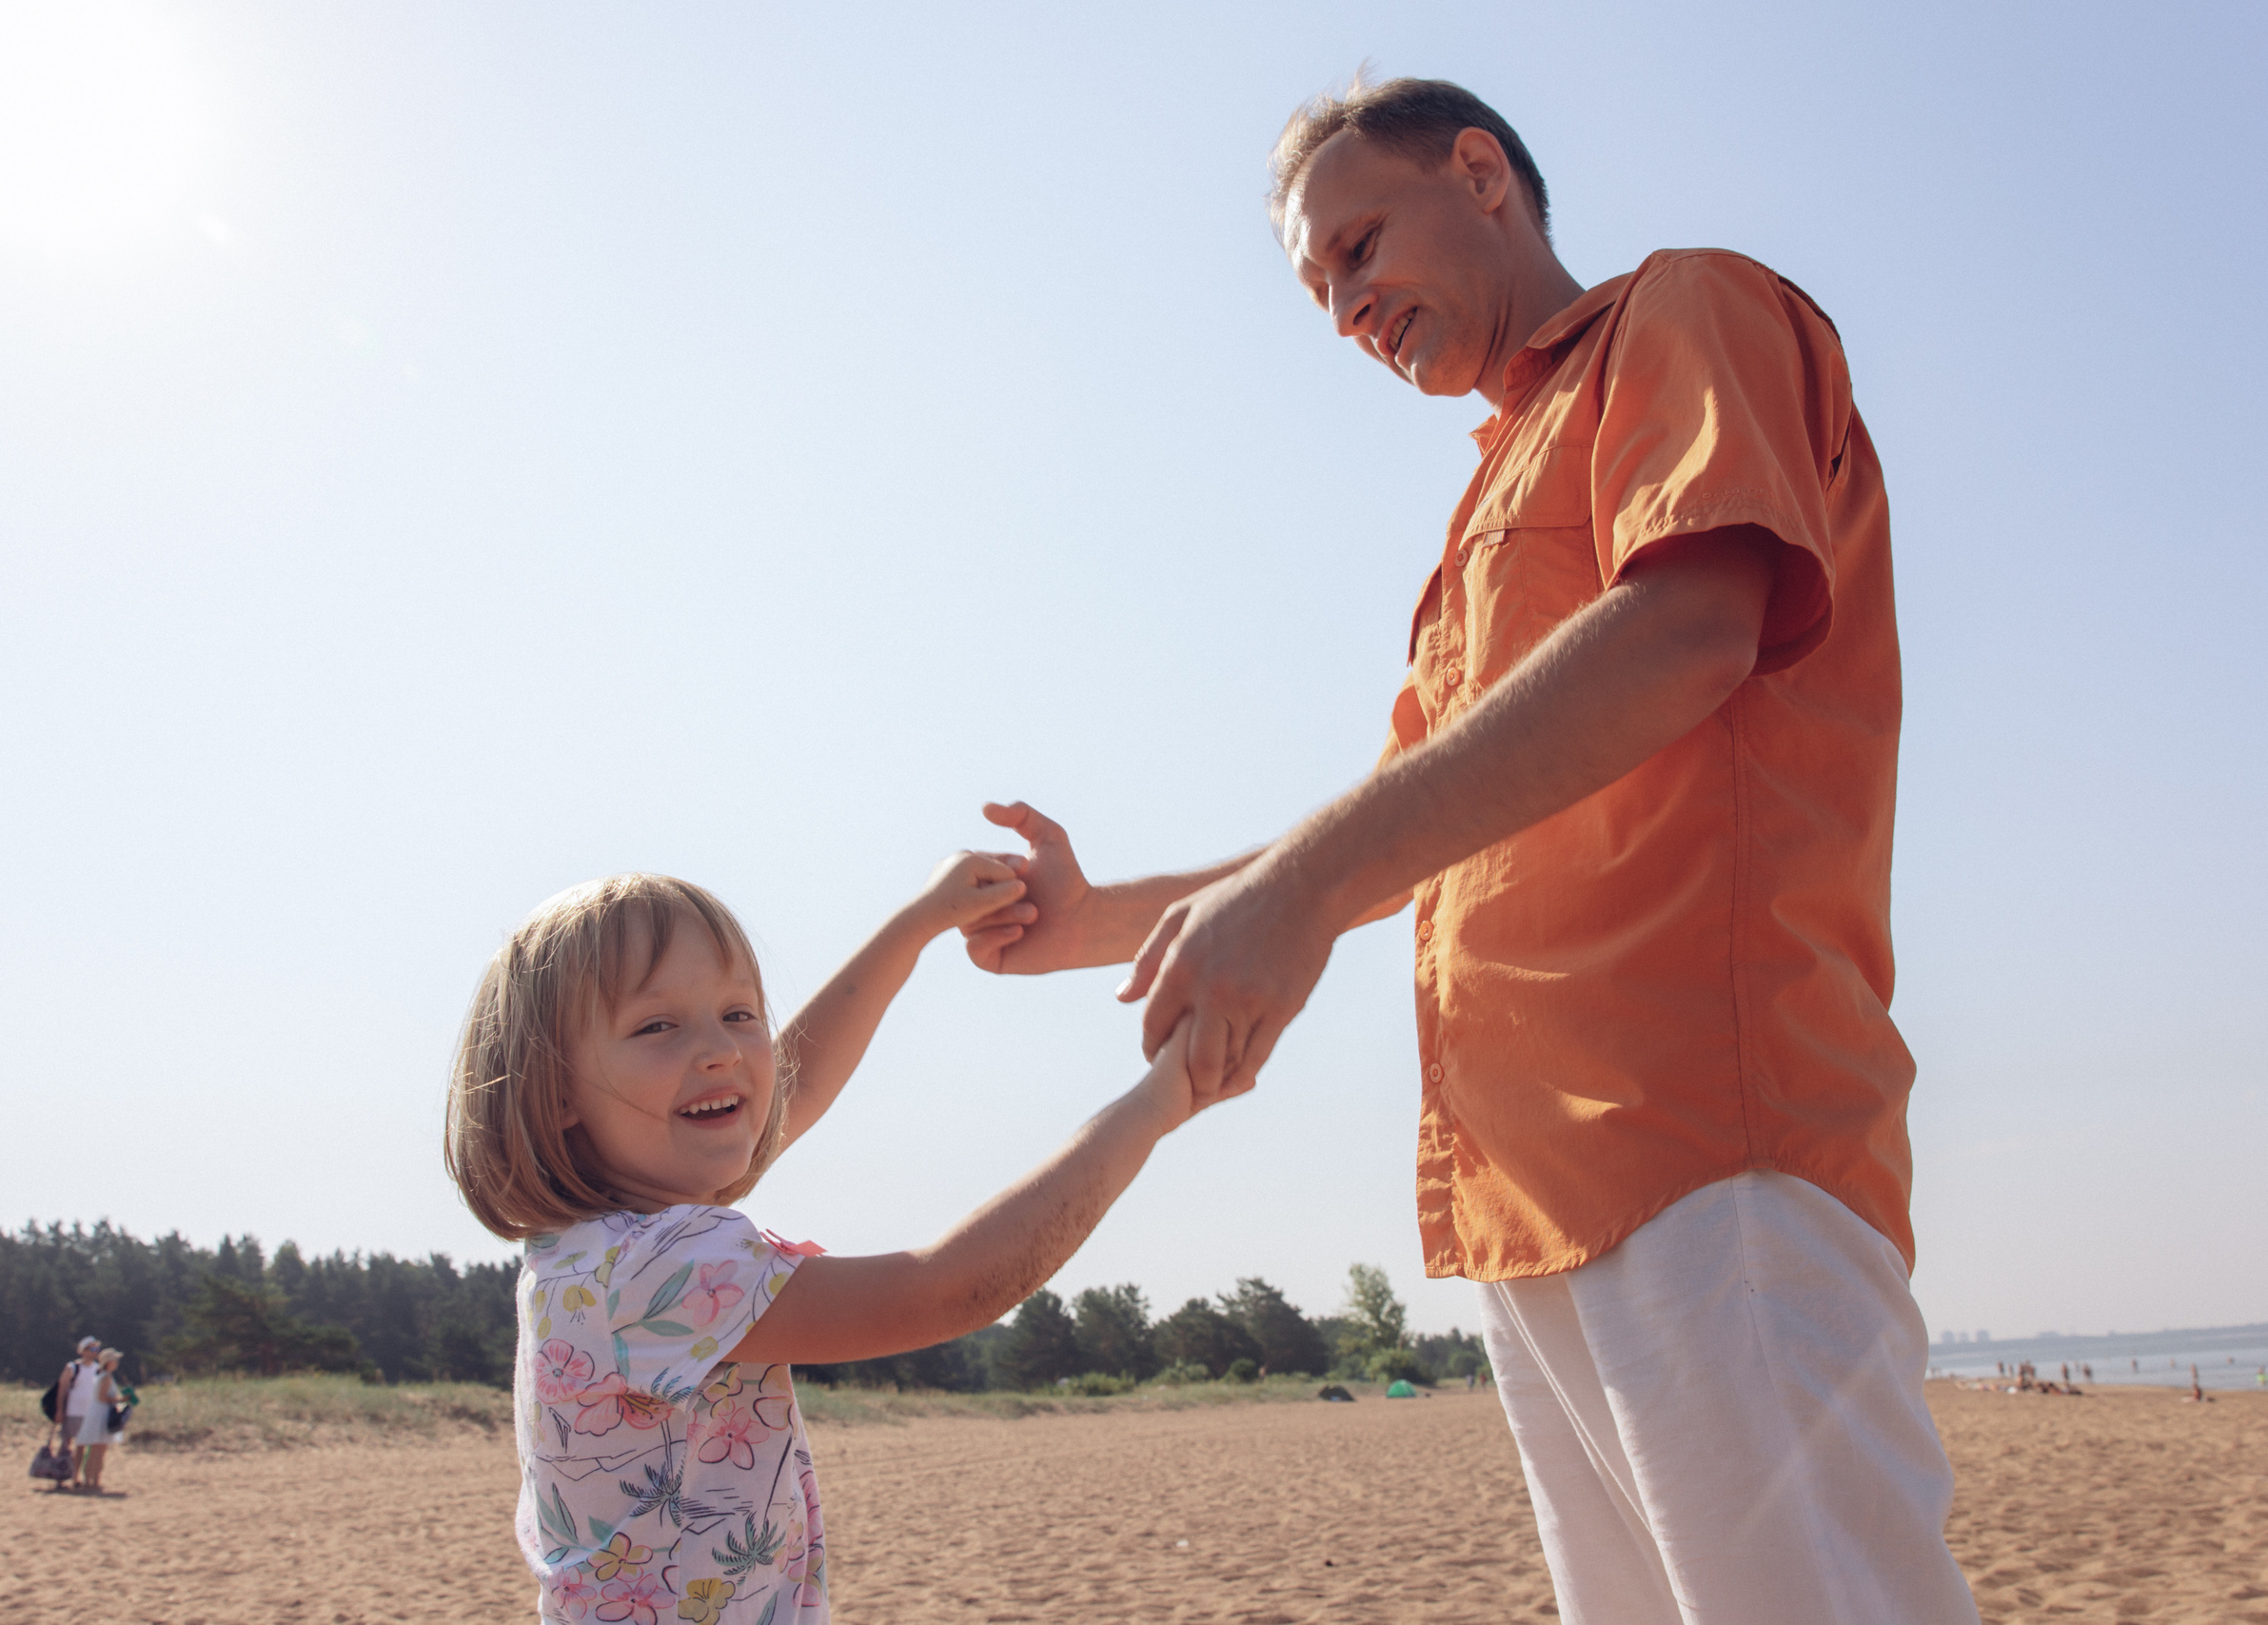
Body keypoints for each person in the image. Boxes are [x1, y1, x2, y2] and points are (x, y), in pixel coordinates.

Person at [961, 74, 1974, 1623]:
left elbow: (1693, 625)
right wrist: (1098, 920)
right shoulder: (1485, 500)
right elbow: (1389, 834)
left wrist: (1298, 888)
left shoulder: (1685, 310)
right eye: (1317, 289)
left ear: (1482, 172)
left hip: (1717, 1159)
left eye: (1360, 246)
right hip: (1530, 1204)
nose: (1348, 306)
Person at [443, 861, 1241, 1625]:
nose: (720, 1049)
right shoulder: (652, 1268)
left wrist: (919, 922)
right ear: (554, 1094)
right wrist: (1161, 1099)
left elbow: (795, 1082)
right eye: (657, 1025)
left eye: (740, 1012)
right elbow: (945, 1289)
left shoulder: (593, 1250)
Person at [49, 1336, 102, 1493]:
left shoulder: (97, 1369)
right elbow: (62, 1389)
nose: (94, 1352)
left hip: (89, 1413)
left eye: (96, 1349)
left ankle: (76, 1477)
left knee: (82, 1447)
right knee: (66, 1445)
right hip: (72, 1412)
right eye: (91, 1349)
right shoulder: (73, 1368)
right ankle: (60, 1477)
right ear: (83, 1351)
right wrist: (59, 1410)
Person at [72, 1348, 127, 1492]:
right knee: (98, 1451)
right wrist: (121, 1399)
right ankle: (92, 1481)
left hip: (97, 1413)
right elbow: (102, 1398)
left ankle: (91, 1480)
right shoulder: (106, 1377)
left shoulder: (101, 1375)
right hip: (101, 1415)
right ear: (109, 1362)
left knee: (97, 1450)